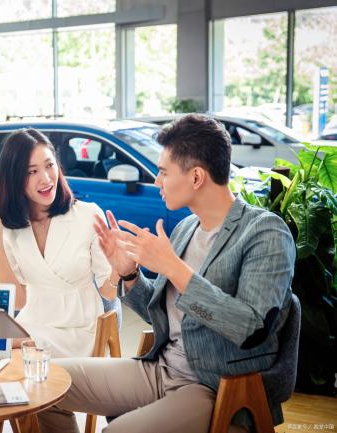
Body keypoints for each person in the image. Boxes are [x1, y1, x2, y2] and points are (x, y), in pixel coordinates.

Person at [37, 114, 296, 433]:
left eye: (163, 172)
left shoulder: (265, 233)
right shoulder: (186, 228)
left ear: (196, 176)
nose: (157, 182)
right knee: (44, 382)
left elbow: (250, 328)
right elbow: (163, 314)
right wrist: (130, 275)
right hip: (159, 368)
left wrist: (173, 267)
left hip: (212, 385)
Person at [0, 128, 120, 358]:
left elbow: (108, 292)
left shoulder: (88, 215)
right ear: (14, 179)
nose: (46, 178)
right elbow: (19, 300)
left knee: (9, 350)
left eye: (49, 165)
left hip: (80, 329)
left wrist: (119, 270)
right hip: (33, 323)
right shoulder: (10, 228)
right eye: (32, 171)